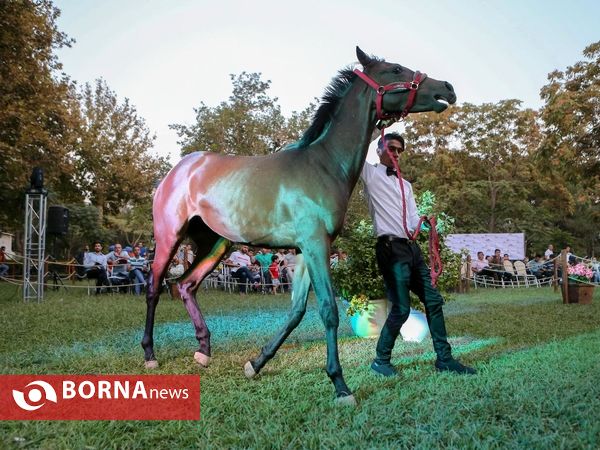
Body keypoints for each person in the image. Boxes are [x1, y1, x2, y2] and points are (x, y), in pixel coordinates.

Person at [360, 132, 475, 376]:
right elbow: (356, 145)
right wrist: (373, 129)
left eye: (400, 150)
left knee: (434, 301)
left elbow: (412, 220)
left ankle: (444, 359)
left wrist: (426, 225)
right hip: (390, 249)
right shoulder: (369, 174)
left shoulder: (407, 185)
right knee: (401, 309)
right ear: (379, 150)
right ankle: (381, 361)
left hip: (412, 249)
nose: (396, 154)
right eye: (391, 148)